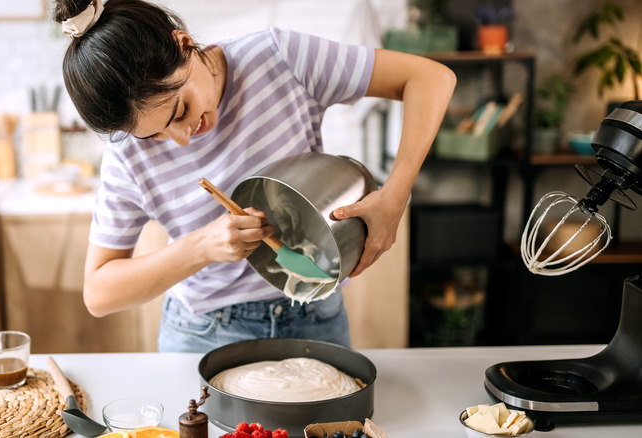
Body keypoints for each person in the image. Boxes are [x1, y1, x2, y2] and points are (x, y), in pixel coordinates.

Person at [52, 0, 455, 353]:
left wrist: (395, 194)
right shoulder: (127, 157)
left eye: (180, 110)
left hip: (315, 317)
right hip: (202, 336)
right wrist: (203, 246)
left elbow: (431, 78)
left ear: (183, 44)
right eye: (154, 134)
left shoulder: (279, 58)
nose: (179, 140)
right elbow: (99, 293)